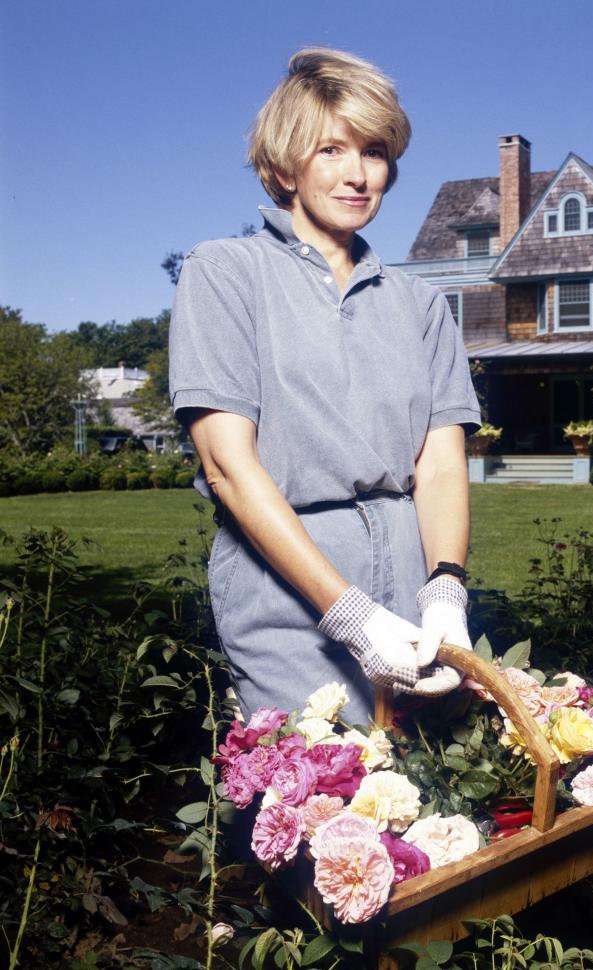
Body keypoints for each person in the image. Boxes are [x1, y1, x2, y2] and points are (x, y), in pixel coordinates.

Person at [168, 48, 480, 725]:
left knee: (433, 804)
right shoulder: (225, 273)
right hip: (288, 592)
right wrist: (349, 615)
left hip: (409, 579)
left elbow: (441, 461)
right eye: (331, 149)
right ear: (285, 165)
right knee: (321, 800)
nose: (357, 173)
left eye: (373, 151)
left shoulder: (421, 304)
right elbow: (227, 466)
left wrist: (446, 590)